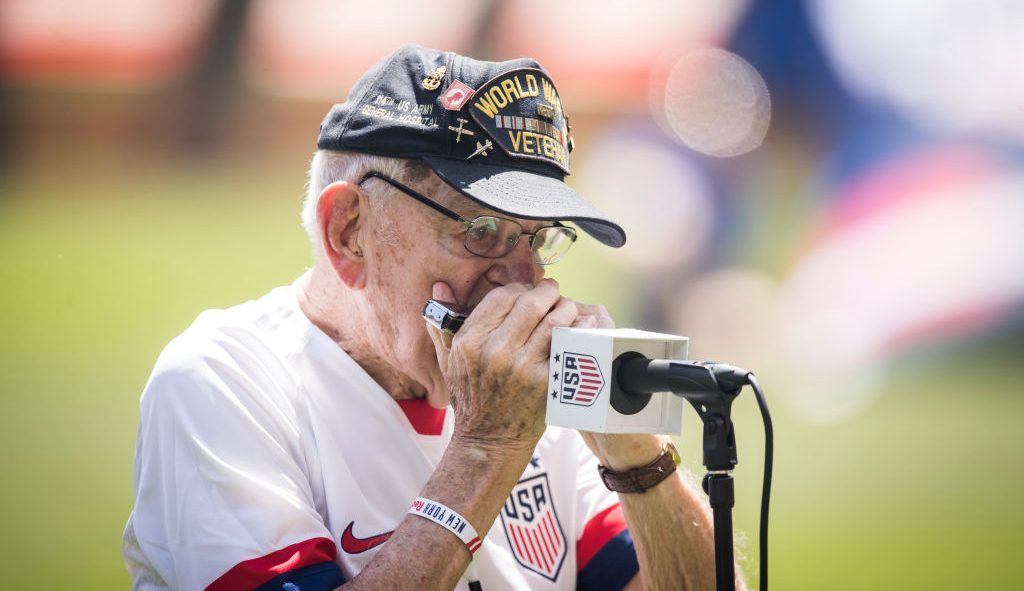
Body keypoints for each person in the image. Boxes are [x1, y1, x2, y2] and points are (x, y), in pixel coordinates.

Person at [123, 44, 737, 591]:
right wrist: (484, 452)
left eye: (540, 238)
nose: (524, 281)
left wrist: (636, 459)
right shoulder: (221, 382)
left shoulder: (534, 400)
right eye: (483, 231)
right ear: (350, 231)